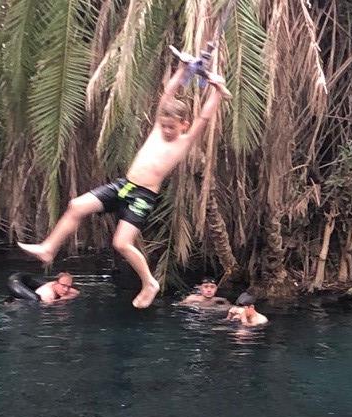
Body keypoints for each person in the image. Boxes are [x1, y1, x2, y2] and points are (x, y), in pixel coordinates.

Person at [19, 64, 224, 309]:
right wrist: (182, 70)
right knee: (76, 205)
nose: (167, 130)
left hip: (142, 196)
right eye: (164, 125)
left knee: (121, 244)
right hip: (124, 186)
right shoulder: (157, 131)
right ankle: (48, 248)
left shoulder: (184, 141)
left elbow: (204, 117)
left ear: (184, 125)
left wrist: (217, 90)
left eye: (172, 127)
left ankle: (149, 283)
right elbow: (167, 94)